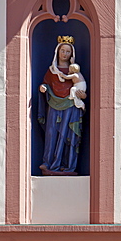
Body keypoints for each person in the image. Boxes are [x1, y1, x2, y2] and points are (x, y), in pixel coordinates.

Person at [38, 36, 86, 174]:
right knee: (51, 133)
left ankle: (67, 164)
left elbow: (81, 87)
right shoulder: (52, 71)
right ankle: (48, 162)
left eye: (68, 52)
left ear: (72, 55)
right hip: (54, 104)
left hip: (71, 105)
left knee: (67, 134)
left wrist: (83, 95)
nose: (65, 54)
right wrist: (43, 88)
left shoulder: (74, 73)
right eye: (63, 51)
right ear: (57, 52)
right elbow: (46, 83)